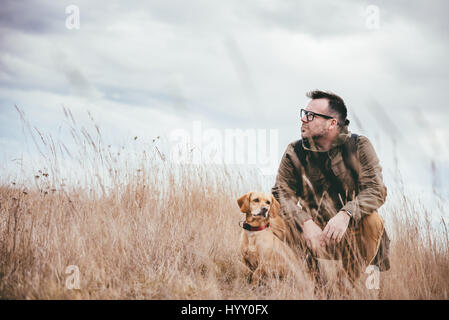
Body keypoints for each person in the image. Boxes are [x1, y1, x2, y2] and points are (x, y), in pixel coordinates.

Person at [272, 90, 390, 289]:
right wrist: (305, 221)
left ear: (332, 123)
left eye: (311, 115)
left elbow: (376, 189)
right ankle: (311, 282)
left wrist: (346, 214)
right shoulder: (295, 151)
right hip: (312, 235)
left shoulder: (359, 146)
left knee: (373, 221)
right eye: (303, 113)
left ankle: (345, 287)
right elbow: (281, 194)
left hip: (349, 235)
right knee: (271, 221)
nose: (303, 119)